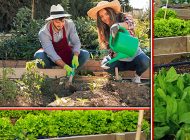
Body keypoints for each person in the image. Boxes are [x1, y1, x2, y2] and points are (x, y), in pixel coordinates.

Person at [87, 0, 149, 83]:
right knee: (106, 64)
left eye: (106, 13)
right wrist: (114, 54)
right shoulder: (105, 30)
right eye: (101, 16)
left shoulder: (122, 17)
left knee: (145, 61)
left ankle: (137, 77)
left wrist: (118, 25)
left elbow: (130, 24)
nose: (105, 18)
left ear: (111, 11)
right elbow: (110, 48)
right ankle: (117, 77)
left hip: (134, 56)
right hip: (120, 59)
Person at [34, 4, 90, 76]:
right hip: (52, 59)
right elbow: (51, 53)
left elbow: (76, 42)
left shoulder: (69, 24)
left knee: (85, 54)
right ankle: (50, 76)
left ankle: (72, 73)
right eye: (57, 22)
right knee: (39, 55)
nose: (61, 24)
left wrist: (76, 56)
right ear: (52, 20)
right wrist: (65, 66)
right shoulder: (44, 32)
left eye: (63, 21)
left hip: (67, 55)